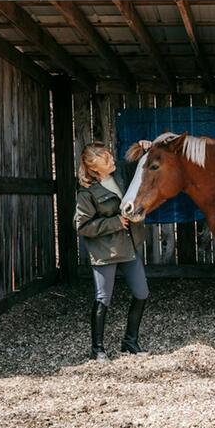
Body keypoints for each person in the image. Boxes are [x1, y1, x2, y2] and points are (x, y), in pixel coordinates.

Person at [74, 142, 149, 363]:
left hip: (129, 246)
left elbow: (139, 165)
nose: (113, 160)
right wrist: (115, 222)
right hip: (105, 252)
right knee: (103, 298)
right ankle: (97, 350)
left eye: (110, 156)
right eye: (108, 160)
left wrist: (144, 146)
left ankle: (130, 342)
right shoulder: (87, 193)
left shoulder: (121, 175)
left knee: (142, 293)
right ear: (96, 169)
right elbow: (81, 226)